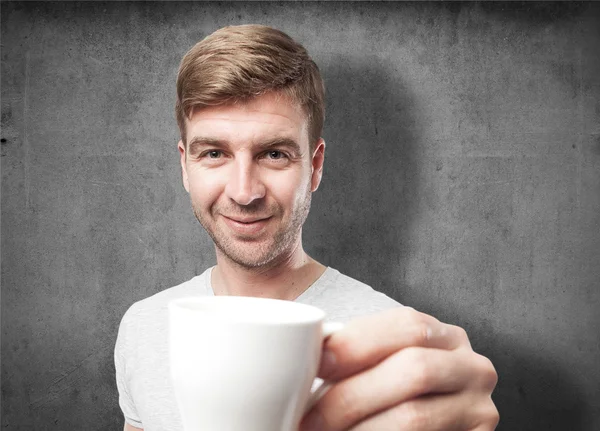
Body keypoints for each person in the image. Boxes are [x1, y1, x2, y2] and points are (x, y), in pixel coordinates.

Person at [114, 24, 499, 431]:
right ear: (185, 166)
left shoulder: (396, 349)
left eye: (274, 154)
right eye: (214, 153)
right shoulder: (143, 326)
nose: (244, 192)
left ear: (314, 166)